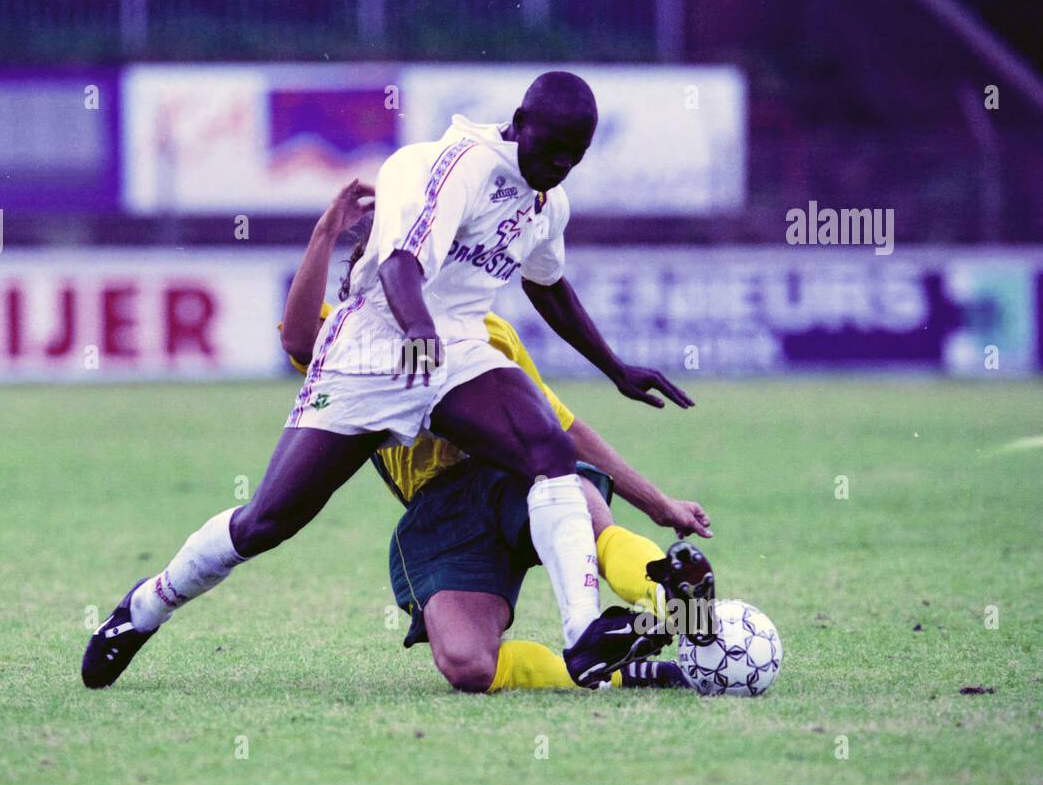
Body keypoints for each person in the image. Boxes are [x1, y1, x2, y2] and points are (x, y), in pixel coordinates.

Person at [83, 72, 694, 689]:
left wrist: (616, 368)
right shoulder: (459, 168)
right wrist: (418, 334)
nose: (559, 165)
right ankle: (144, 609)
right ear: (519, 121)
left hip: (453, 344)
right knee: (268, 522)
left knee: (549, 451)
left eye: (575, 156)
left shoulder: (546, 203)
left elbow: (547, 283)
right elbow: (401, 266)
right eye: (551, 148)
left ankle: (584, 637)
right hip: (374, 347)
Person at [279, 183, 714, 693]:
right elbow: (298, 338)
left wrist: (657, 502)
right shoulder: (344, 339)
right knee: (468, 667)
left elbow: (563, 429)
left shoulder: (488, 334)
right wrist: (325, 231)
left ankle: (678, 602)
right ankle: (614, 671)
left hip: (507, 479)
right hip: (440, 514)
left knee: (579, 503)